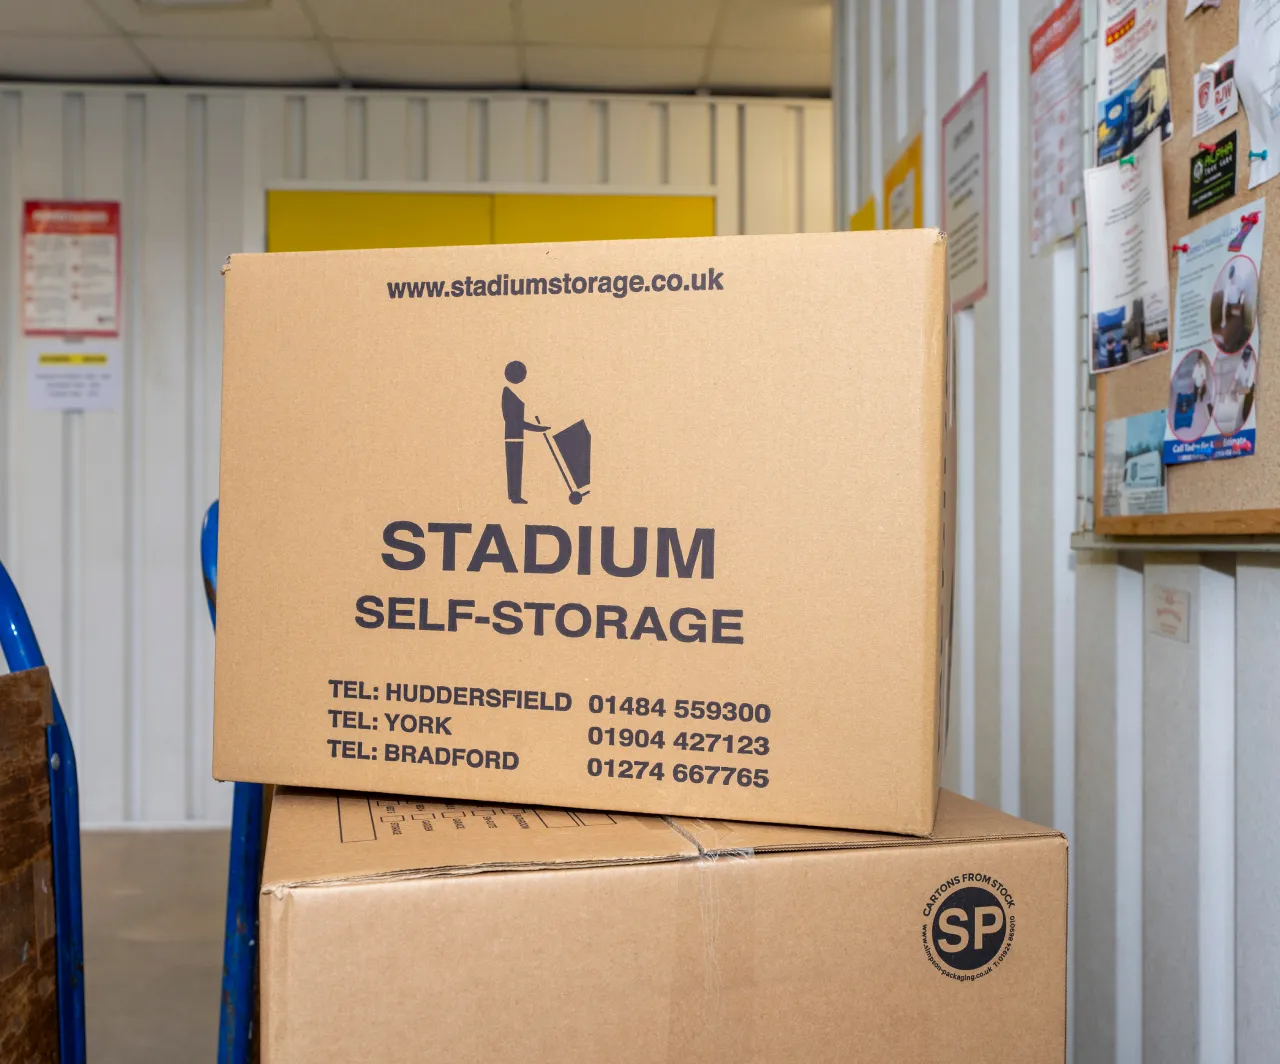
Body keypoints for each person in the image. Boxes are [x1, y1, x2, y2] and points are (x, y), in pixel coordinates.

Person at [501, 361, 549, 504]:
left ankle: (515, 495)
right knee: (514, 466)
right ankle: (514, 496)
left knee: (516, 466)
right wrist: (538, 428)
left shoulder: (512, 395)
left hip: (517, 437)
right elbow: (513, 421)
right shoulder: (508, 394)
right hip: (512, 437)